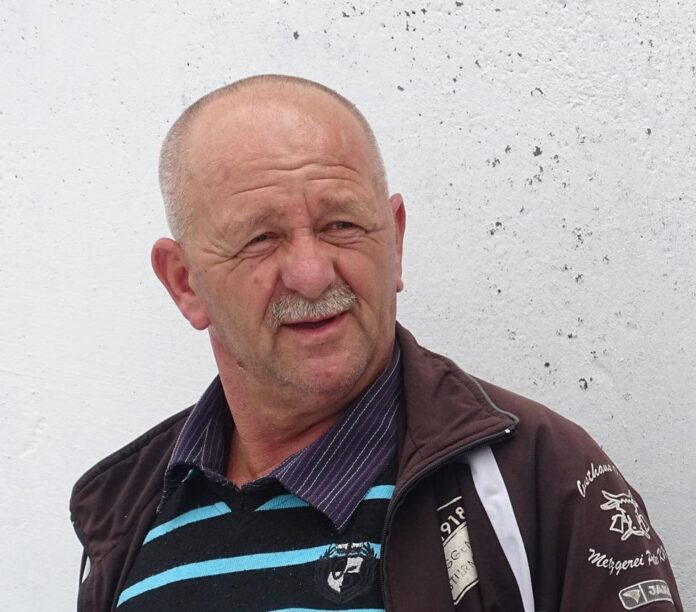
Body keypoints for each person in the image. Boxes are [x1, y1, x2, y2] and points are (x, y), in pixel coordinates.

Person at [70, 75, 683, 612]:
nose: (312, 275)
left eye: (341, 224)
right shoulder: (126, 512)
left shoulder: (540, 480)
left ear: (394, 241)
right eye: (260, 239)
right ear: (185, 283)